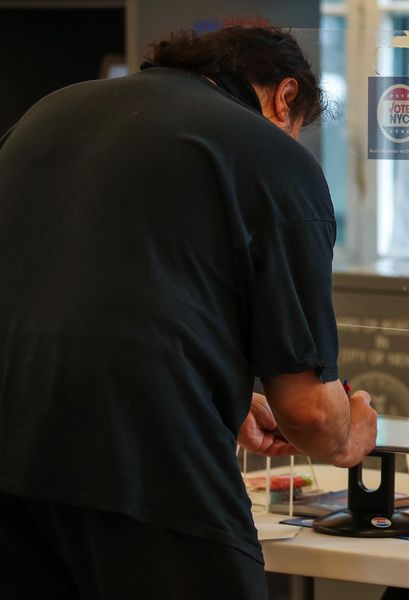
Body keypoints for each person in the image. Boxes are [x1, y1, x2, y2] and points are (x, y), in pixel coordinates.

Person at [0, 27, 377, 598]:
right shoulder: (270, 155)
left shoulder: (45, 116)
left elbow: (105, 299)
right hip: (146, 473)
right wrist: (348, 439)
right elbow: (311, 414)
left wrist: (216, 395)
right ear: (284, 97)